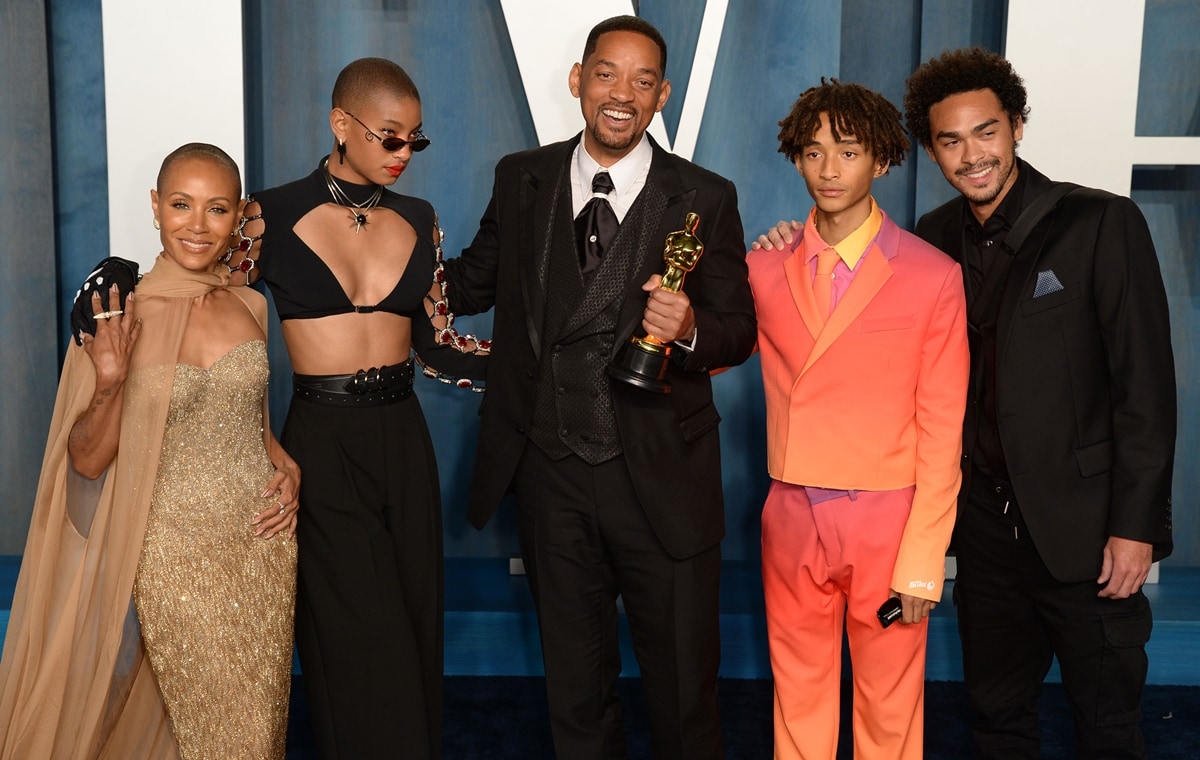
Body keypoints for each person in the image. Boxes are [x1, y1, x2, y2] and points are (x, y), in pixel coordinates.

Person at [442, 15, 756, 760]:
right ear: (578, 80)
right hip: (552, 477)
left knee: (684, 691)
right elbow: (469, 282)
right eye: (607, 74)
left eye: (643, 80)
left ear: (662, 95)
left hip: (663, 479)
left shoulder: (705, 196)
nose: (623, 93)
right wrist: (369, 257)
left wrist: (688, 329)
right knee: (575, 692)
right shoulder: (522, 178)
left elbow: (737, 330)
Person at [901, 47, 1176, 759]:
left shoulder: (1099, 223)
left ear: (1017, 126)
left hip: (1088, 534)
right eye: (951, 141)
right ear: (932, 151)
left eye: (985, 132)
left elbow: (1143, 386)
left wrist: (1135, 526)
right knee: (997, 723)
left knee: (1109, 729)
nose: (972, 155)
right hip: (986, 536)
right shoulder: (930, 240)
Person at [0, 143, 300, 759]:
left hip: (261, 550)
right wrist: (109, 382)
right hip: (171, 558)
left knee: (259, 733)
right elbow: (84, 461)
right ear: (156, 207)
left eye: (217, 209)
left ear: (239, 214)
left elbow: (246, 420)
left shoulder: (252, 304)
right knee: (223, 738)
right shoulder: (116, 314)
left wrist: (288, 465)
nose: (197, 224)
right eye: (182, 205)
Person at [230, 58, 487, 759]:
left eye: (416, 141)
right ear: (342, 125)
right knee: (355, 636)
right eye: (390, 138)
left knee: (411, 618)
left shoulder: (419, 216)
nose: (405, 155)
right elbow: (216, 326)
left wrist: (536, 369)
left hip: (403, 436)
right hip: (320, 439)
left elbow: (436, 342)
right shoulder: (269, 214)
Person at [747, 79, 968, 759]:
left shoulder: (933, 275)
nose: (829, 170)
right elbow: (711, 362)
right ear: (796, 159)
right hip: (790, 510)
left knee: (889, 704)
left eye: (847, 152)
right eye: (813, 153)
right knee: (799, 692)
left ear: (881, 158)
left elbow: (942, 432)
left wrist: (924, 564)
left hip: (890, 521)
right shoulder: (761, 267)